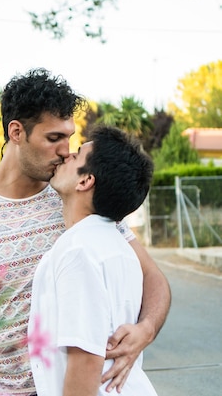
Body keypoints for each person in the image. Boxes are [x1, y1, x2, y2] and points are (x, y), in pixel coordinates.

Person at [0, 68, 170, 395]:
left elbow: (154, 279)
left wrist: (146, 329)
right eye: (54, 138)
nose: (66, 150)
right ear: (16, 132)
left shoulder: (81, 201)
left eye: (69, 137)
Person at [28, 125, 158, 396]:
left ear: (85, 180)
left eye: (75, 155)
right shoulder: (118, 247)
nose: (65, 156)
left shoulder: (79, 250)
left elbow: (86, 359)